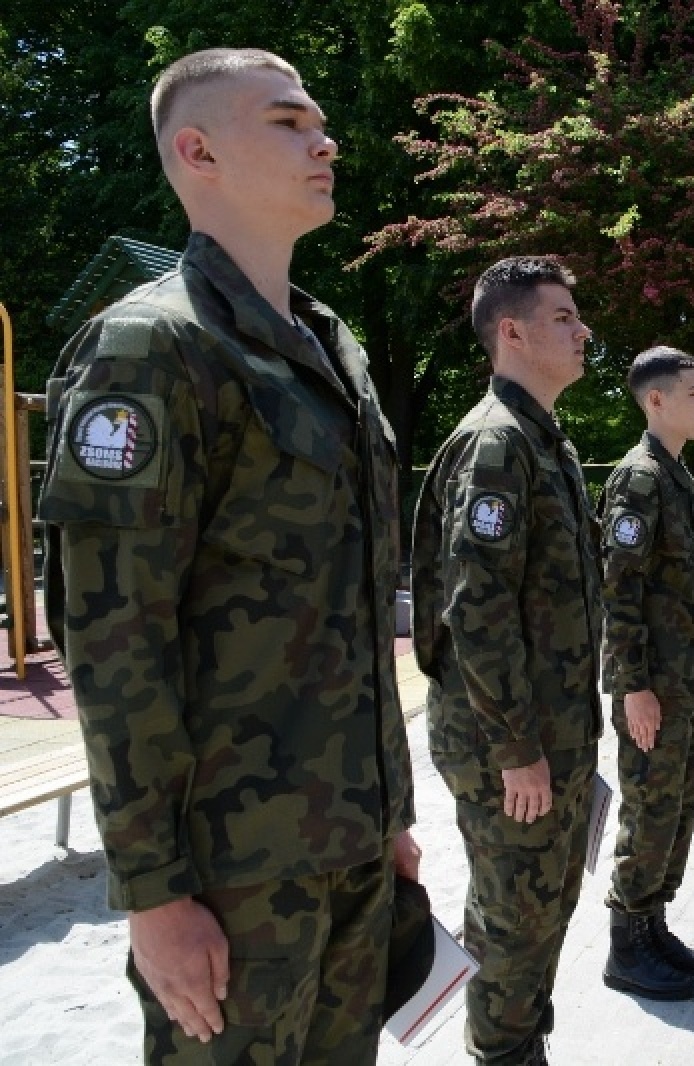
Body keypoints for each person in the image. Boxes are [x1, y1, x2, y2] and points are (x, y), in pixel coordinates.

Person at [37, 48, 419, 1063]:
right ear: (198, 150)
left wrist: (383, 814)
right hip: (230, 876)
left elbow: (351, 605)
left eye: (319, 121)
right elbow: (114, 642)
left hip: (346, 847)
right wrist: (153, 891)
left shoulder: (332, 346)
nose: (324, 140)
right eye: (289, 122)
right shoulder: (151, 349)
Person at [412, 257, 601, 1064]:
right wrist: (519, 749)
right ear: (512, 332)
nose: (583, 329)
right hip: (510, 744)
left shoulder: (538, 439)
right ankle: (502, 1050)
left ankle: (517, 1040)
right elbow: (476, 616)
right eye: (563, 317)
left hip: (546, 734)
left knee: (537, 906)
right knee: (516, 916)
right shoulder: (497, 446)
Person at [599, 347, 694, 1002]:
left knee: (674, 809)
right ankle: (626, 945)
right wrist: (633, 687)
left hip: (683, 684)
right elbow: (620, 590)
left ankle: (653, 924)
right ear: (656, 400)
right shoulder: (638, 479)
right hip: (654, 687)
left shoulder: (675, 476)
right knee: (649, 809)